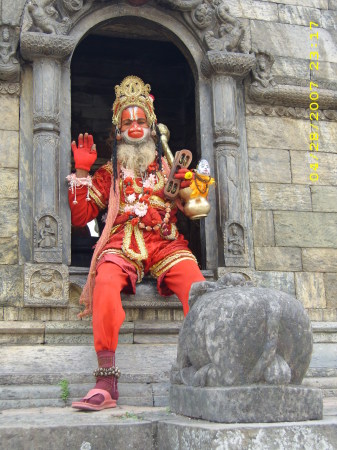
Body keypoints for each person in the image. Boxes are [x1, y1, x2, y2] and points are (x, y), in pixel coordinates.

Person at [68, 75, 205, 411]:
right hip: (122, 242)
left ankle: (204, 367)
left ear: (151, 126)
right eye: (127, 121)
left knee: (198, 289)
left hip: (167, 243)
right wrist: (83, 172)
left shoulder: (169, 168)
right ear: (118, 129)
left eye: (140, 120)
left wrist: (192, 186)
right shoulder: (108, 173)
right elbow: (81, 216)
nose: (134, 126)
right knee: (104, 284)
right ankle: (105, 380)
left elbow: (193, 210)